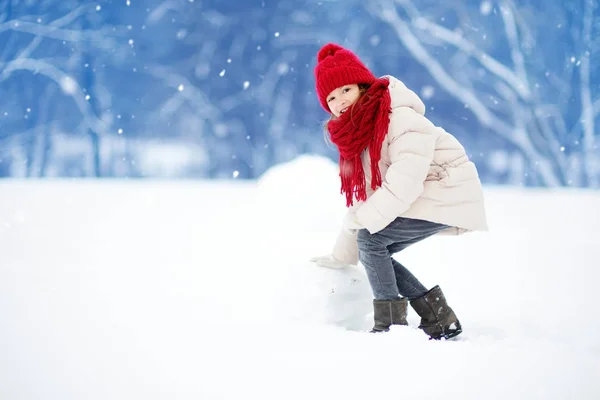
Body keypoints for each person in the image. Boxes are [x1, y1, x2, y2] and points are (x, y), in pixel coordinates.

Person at [309, 43, 488, 339]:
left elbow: (405, 182)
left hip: (445, 190)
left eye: (345, 90)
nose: (338, 100)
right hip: (425, 194)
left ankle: (391, 326)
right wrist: (341, 254)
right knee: (374, 246)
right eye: (330, 96)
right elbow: (368, 200)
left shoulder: (398, 118)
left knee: (371, 239)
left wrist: (361, 224)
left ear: (363, 87)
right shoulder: (361, 134)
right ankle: (438, 317)